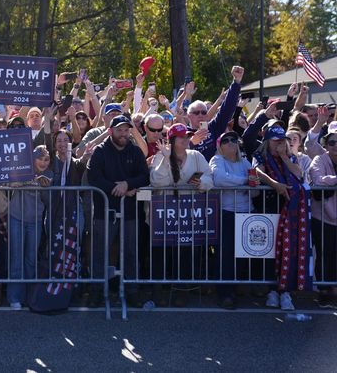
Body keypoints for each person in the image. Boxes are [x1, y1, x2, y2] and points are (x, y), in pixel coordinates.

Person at [87, 115, 150, 306]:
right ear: (110, 131)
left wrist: (127, 184)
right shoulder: (99, 151)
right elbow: (94, 178)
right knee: (100, 252)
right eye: (119, 130)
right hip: (104, 212)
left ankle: (131, 291)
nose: (123, 134)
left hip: (130, 212)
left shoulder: (135, 151)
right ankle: (97, 291)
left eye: (126, 130)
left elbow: (145, 176)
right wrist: (118, 189)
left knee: (131, 252)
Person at [150, 123, 213, 306]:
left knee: (185, 251)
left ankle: (182, 291)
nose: (186, 140)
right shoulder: (160, 156)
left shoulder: (196, 156)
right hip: (165, 214)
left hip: (189, 214)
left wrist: (201, 184)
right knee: (162, 252)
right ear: (172, 140)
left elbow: (209, 176)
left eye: (187, 136)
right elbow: (157, 182)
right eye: (182, 137)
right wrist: (164, 158)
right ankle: (158, 291)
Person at [253, 125, 311, 311]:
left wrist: (285, 156)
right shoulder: (260, 154)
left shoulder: (290, 156)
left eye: (282, 140)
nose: (279, 143)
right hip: (268, 207)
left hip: (291, 209)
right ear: (268, 141)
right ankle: (272, 290)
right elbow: (257, 171)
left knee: (288, 249)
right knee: (270, 251)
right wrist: (274, 184)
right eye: (275, 140)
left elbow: (299, 174)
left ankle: (286, 292)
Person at [209, 131, 258, 309]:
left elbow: (255, 187)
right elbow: (220, 179)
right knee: (225, 255)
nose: (231, 143)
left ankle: (235, 288)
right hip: (227, 212)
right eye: (226, 140)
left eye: (233, 140)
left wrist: (249, 184)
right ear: (220, 146)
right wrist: (245, 181)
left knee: (242, 254)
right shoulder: (217, 160)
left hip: (247, 212)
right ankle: (224, 293)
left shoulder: (245, 162)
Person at [6, 145, 53, 310]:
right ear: (32, 159)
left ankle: (30, 296)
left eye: (46, 159)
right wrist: (23, 181)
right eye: (39, 158)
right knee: (16, 258)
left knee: (31, 259)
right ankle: (14, 297)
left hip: (36, 220)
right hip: (16, 217)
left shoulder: (49, 175)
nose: (43, 162)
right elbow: (9, 182)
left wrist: (46, 189)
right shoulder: (22, 169)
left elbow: (48, 202)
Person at [308, 125, 337, 307]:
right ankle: (324, 292)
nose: (336, 145)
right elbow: (317, 180)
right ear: (326, 144)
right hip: (323, 217)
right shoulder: (319, 159)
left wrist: (331, 181)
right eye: (332, 142)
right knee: (325, 255)